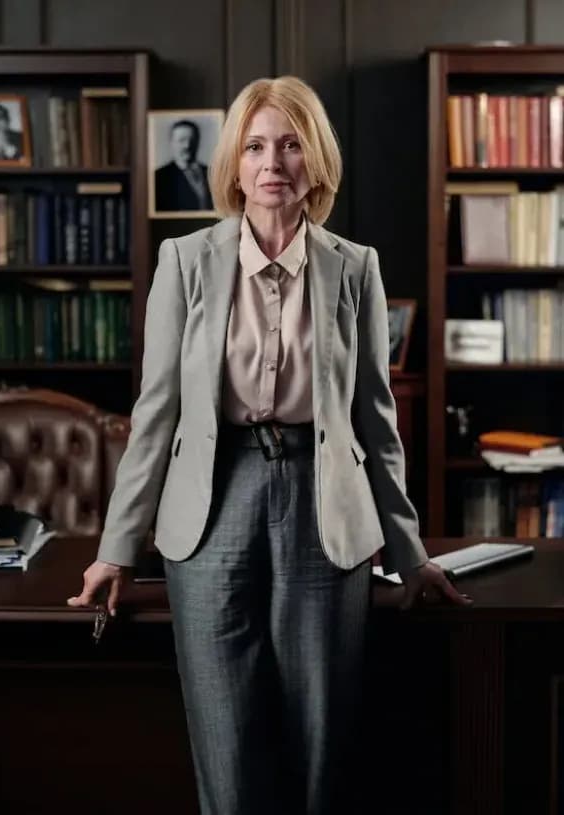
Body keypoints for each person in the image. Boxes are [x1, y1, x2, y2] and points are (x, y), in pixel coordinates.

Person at [68, 75, 472, 814]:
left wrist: (411, 553)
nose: (272, 162)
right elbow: (155, 412)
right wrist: (116, 547)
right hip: (214, 498)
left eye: (290, 144)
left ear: (315, 159)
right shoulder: (185, 261)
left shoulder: (355, 266)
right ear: (234, 164)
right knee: (226, 731)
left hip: (325, 502)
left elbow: (375, 423)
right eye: (254, 146)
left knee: (323, 734)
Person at [154, 119, 213, 211]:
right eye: (181, 140)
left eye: (192, 140)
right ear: (172, 143)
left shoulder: (212, 173)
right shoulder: (158, 177)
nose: (187, 146)